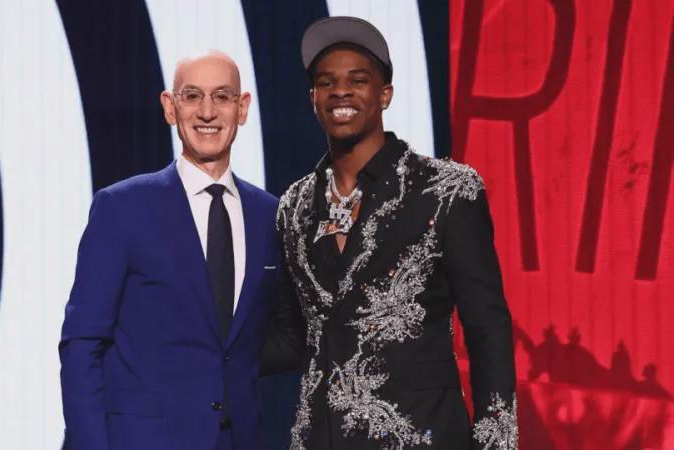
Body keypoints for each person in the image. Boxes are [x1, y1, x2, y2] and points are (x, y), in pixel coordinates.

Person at [277, 17, 518, 449]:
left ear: (384, 94)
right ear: (313, 98)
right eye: (326, 82)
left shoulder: (446, 190)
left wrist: (496, 443)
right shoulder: (293, 206)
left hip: (421, 434)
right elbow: (294, 336)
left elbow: (488, 329)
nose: (341, 92)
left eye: (358, 80)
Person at [60, 50, 288, 450]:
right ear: (170, 107)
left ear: (242, 108)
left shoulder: (269, 215)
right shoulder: (122, 207)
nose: (207, 112)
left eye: (222, 97)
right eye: (192, 96)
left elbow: (267, 337)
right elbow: (82, 343)